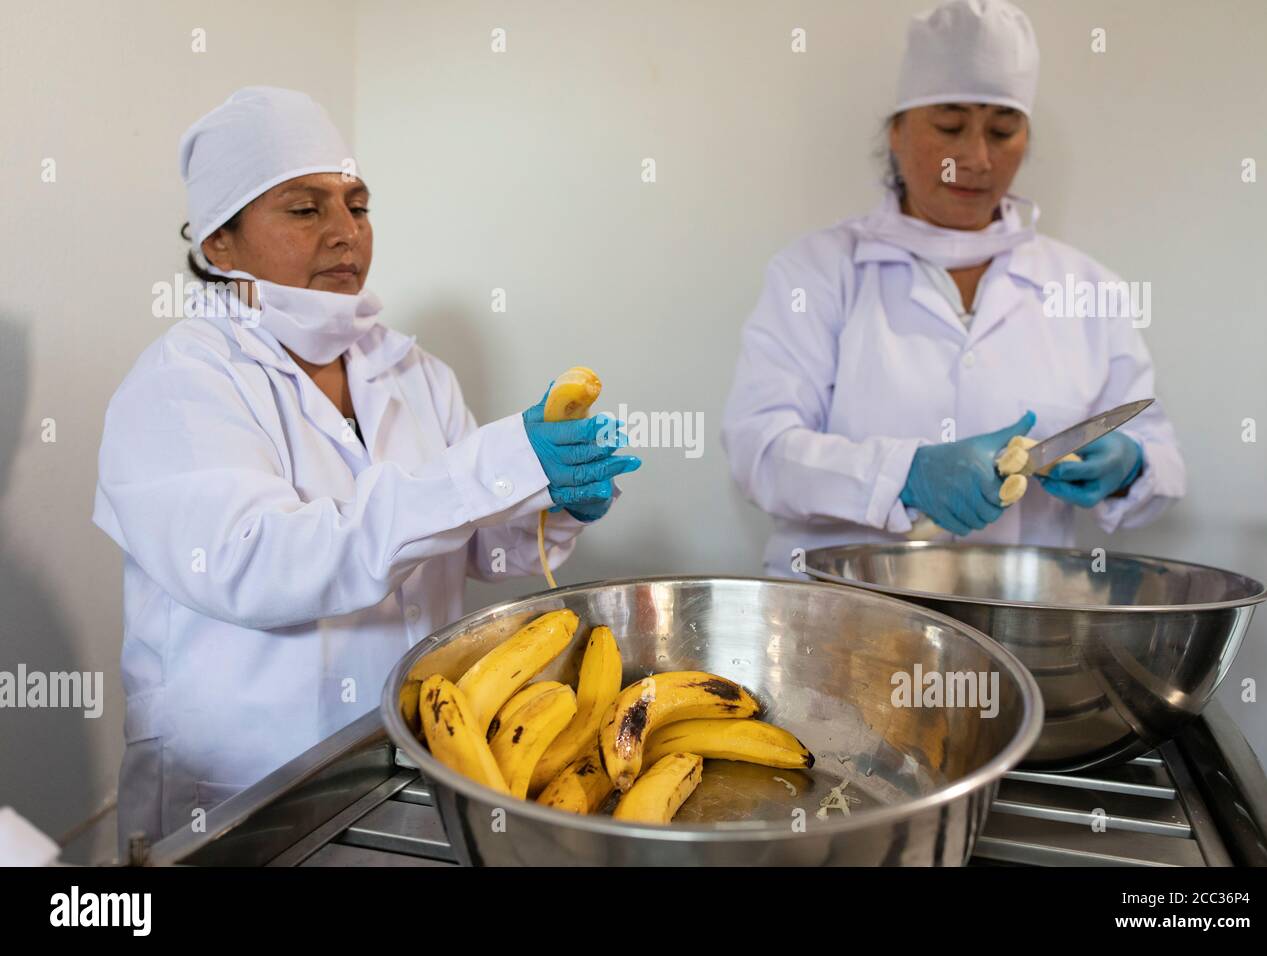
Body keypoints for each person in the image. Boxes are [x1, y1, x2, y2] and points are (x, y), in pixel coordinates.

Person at [91, 87, 640, 852]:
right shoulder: (180, 385)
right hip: (244, 790)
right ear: (220, 242)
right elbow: (258, 563)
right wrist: (497, 463)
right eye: (305, 208)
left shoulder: (414, 372)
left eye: (358, 203)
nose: (347, 232)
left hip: (401, 763)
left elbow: (477, 546)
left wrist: (554, 505)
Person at [721, 0, 1184, 576]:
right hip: (838, 616)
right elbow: (759, 451)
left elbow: (1162, 460)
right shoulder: (817, 271)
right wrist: (906, 473)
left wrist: (1132, 466)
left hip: (1021, 623)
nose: (976, 157)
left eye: (1002, 130)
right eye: (949, 125)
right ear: (896, 131)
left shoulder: (1086, 286)